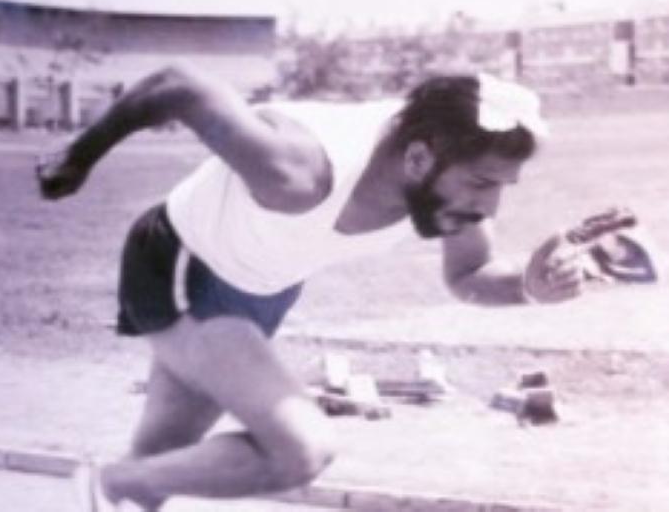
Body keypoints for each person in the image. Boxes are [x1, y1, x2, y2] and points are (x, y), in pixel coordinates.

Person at [36, 65, 585, 511]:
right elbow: (178, 86)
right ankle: (110, 484)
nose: (490, 205)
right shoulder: (300, 169)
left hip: (261, 292)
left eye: (503, 185)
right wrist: (81, 154)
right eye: (483, 182)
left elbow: (469, 275)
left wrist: (530, 286)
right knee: (300, 450)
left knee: (160, 462)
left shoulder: (447, 181)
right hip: (182, 267)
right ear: (418, 158)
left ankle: (115, 491)